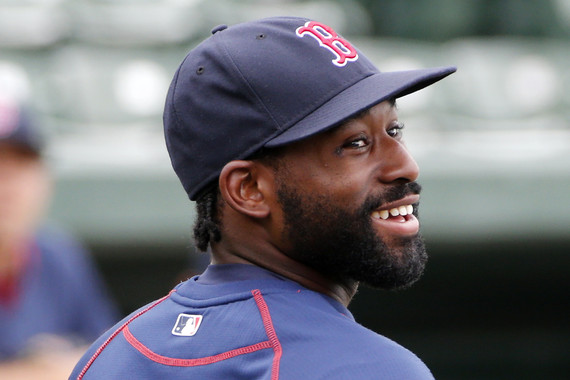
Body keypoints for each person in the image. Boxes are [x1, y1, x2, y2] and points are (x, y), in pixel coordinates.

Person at [70, 16, 456, 379]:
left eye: (395, 129)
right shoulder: (366, 368)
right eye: (356, 143)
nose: (405, 165)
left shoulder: (108, 356)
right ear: (249, 190)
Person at [0, 97, 119, 372]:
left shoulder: (60, 254)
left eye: (21, 166)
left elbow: (111, 360)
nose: (7, 185)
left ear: (44, 178)